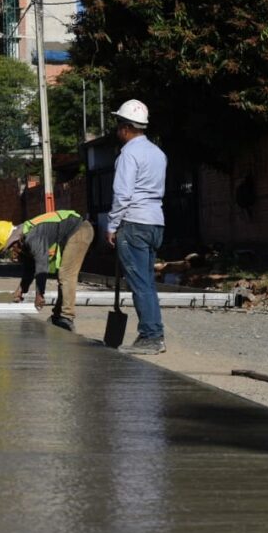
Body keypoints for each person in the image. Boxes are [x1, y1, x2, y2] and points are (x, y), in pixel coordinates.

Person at [106, 99, 167, 354]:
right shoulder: (158, 153)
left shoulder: (128, 154)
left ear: (126, 127)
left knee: (140, 282)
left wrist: (112, 225)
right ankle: (155, 333)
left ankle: (151, 336)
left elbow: (122, 194)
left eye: (119, 124)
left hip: (134, 223)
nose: (118, 130)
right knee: (147, 281)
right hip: (155, 223)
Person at [0, 211, 95, 331]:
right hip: (70, 233)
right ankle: (57, 316)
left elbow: (42, 265)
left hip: (80, 230)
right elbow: (30, 267)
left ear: (15, 238)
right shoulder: (23, 238)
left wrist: (39, 294)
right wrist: (21, 290)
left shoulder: (32, 237)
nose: (12, 250)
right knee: (63, 275)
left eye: (10, 246)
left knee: (66, 274)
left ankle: (66, 317)